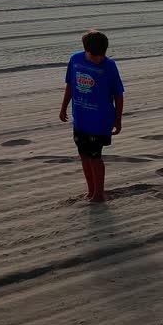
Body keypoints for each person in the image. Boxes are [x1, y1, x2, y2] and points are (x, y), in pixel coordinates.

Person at [59, 29, 124, 203]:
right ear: (85, 49)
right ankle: (90, 190)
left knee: (95, 157)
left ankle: (99, 193)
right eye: (94, 55)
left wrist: (118, 119)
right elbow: (70, 85)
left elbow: (118, 94)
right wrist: (64, 106)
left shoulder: (109, 66)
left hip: (100, 121)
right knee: (83, 155)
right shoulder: (75, 60)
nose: (97, 59)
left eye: (101, 55)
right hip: (80, 118)